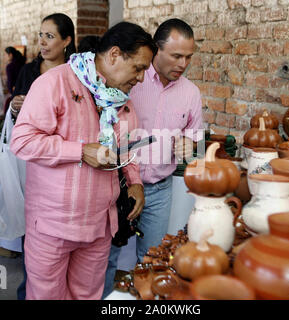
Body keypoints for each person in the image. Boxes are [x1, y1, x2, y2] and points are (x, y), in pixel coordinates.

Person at [10, 21, 156, 300]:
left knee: (88, 295)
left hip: (100, 226)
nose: (140, 78)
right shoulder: (55, 82)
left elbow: (128, 147)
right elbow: (23, 140)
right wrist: (80, 151)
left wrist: (135, 181)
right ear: (114, 55)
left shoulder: (122, 99)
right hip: (53, 226)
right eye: (138, 68)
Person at [102, 18, 203, 298]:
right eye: (176, 56)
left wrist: (191, 146)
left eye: (188, 57)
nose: (183, 64)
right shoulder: (131, 78)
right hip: (117, 185)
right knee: (105, 259)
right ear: (156, 50)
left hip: (159, 189)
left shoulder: (191, 93)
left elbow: (199, 142)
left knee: (152, 259)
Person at [8, 12, 77, 300]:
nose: (42, 41)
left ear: (67, 41)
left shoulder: (78, 74)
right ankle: (29, 290)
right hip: (35, 160)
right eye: (40, 35)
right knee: (33, 226)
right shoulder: (29, 71)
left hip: (68, 160)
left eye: (50, 35)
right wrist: (15, 107)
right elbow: (22, 124)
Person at [3, 46, 25, 114]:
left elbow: (10, 83)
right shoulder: (23, 64)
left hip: (15, 94)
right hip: (24, 94)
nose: (5, 57)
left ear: (10, 55)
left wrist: (11, 92)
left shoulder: (10, 67)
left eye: (5, 55)